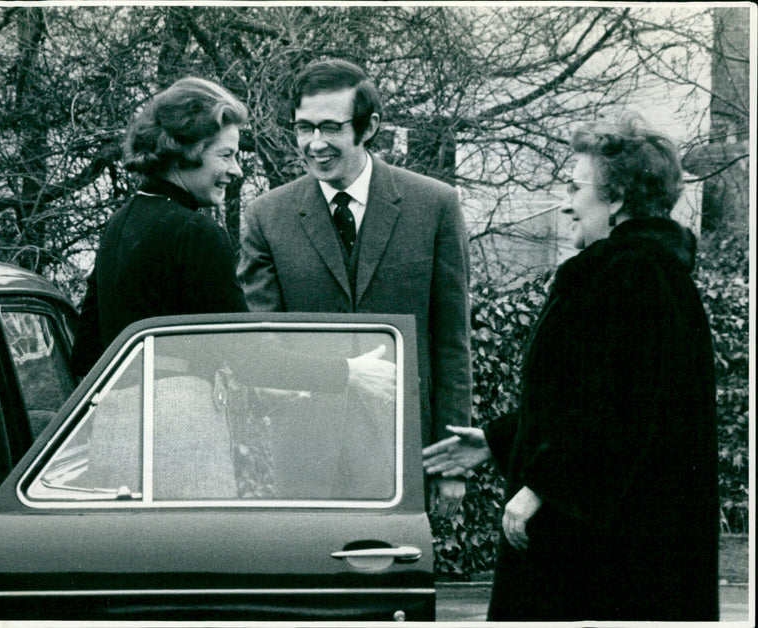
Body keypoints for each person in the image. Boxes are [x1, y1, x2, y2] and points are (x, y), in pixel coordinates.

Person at [423, 112, 719, 621]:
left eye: (575, 186)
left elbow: (620, 412)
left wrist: (543, 487)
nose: (566, 203)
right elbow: (586, 398)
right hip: (634, 551)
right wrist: (495, 439)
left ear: (618, 197)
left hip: (598, 557)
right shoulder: (656, 273)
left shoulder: (624, 275)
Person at [237, 58, 472, 517]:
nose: (315, 143)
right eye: (303, 127)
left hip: (400, 448)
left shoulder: (434, 205)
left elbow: (451, 343)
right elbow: (257, 340)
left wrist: (451, 462)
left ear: (369, 127)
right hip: (302, 453)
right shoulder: (268, 216)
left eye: (330, 127)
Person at [70, 76, 392, 398]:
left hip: (117, 428)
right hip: (178, 427)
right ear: (189, 151)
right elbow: (248, 358)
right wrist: (348, 372)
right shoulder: (195, 233)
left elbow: (86, 353)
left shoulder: (119, 223)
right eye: (226, 155)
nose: (237, 170)